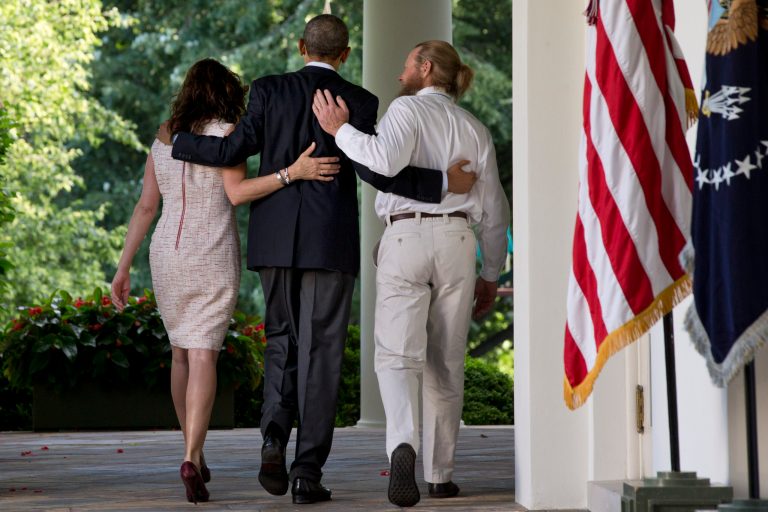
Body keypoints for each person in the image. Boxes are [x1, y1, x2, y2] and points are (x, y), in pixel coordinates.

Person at [160, 15, 476, 506]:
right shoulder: (363, 101)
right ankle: (307, 473)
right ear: (345, 53)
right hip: (331, 243)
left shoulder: (268, 91)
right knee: (322, 353)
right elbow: (380, 173)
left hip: (275, 239)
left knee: (280, 340)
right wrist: (440, 186)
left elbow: (231, 150)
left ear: (301, 45)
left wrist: (179, 141)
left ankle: (272, 441)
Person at [110, 58, 339, 504]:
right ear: (227, 93)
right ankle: (193, 457)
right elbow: (237, 194)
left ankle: (190, 452)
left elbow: (144, 207)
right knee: (203, 356)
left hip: (166, 255)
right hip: (211, 251)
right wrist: (294, 172)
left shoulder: (164, 138)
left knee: (180, 354)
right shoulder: (226, 135)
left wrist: (123, 267)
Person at [312, 40, 510, 507]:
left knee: (397, 353)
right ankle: (440, 474)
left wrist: (340, 130)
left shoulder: (407, 112)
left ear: (425, 69)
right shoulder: (475, 128)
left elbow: (381, 161)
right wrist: (491, 273)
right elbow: (496, 212)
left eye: (406, 65)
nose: (400, 74)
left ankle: (403, 442)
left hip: (406, 236)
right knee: (447, 358)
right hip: (459, 241)